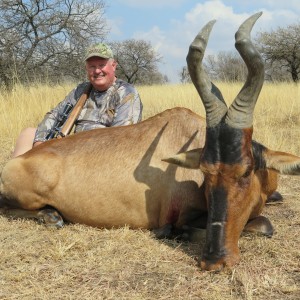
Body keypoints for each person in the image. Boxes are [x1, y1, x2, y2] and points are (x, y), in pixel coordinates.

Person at [12, 43, 143, 158]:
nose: (97, 71)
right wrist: (39, 144)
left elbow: (121, 140)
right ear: (86, 68)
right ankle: (13, 180)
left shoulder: (127, 93)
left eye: (102, 65)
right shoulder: (81, 90)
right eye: (92, 66)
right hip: (70, 147)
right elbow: (55, 115)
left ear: (113, 65)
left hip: (98, 156)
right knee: (28, 133)